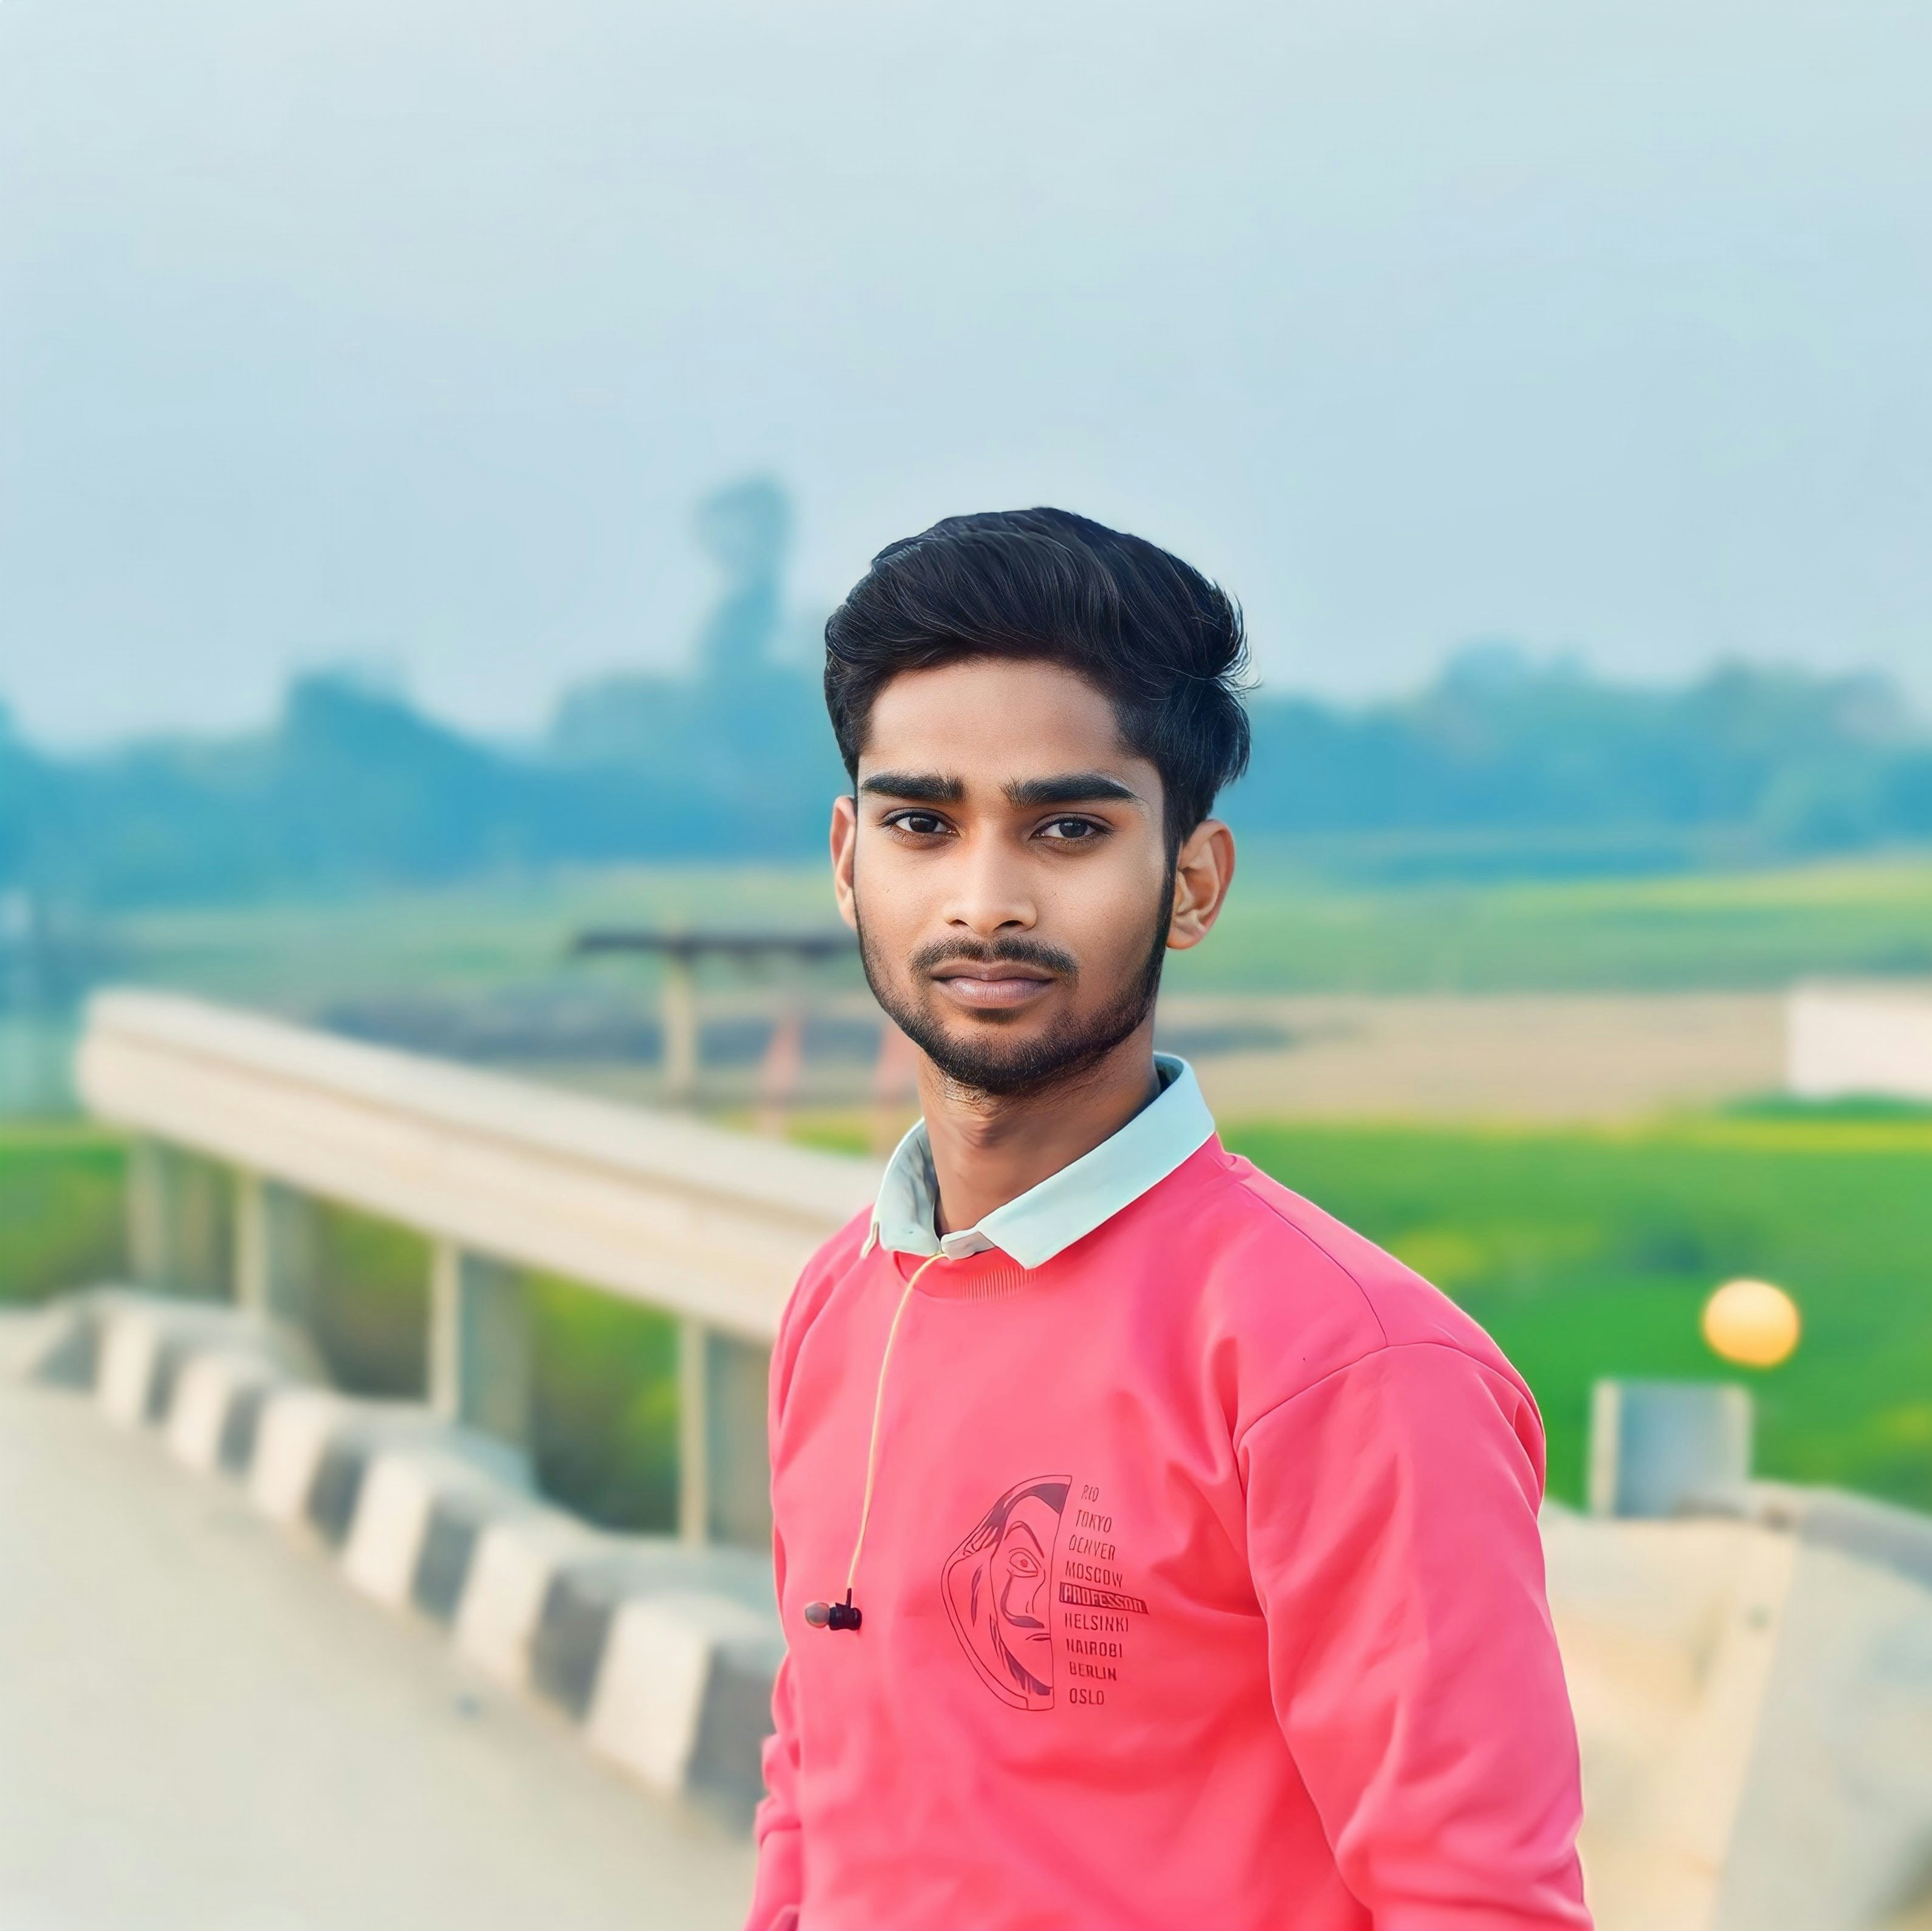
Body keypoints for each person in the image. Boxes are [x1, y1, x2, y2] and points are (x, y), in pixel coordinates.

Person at [748, 509, 1590, 1930]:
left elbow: (1478, 1899)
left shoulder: (1348, 1365)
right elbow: (812, 1794)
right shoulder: (847, 1301)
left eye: (1067, 827)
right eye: (921, 823)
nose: (986, 897)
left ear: (1191, 881)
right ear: (847, 861)